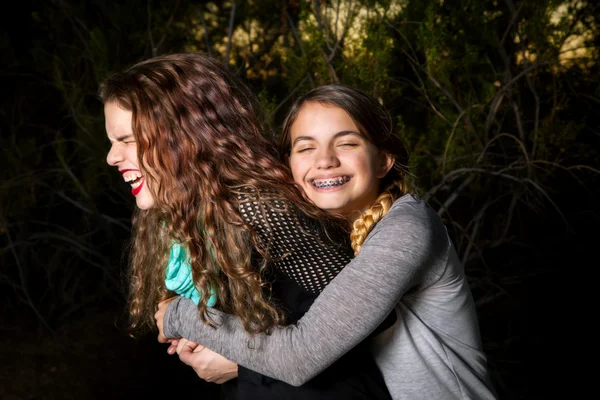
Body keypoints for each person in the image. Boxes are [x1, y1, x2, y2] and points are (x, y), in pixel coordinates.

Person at [157, 85, 498, 400]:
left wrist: (179, 315)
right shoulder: (319, 240)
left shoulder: (408, 228)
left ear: (383, 160)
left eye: (346, 143)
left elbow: (299, 357)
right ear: (287, 167)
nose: (325, 160)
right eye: (305, 147)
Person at [100, 53, 393, 399]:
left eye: (127, 140)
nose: (112, 157)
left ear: (185, 135)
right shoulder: (186, 221)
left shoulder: (263, 210)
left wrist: (243, 363)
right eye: (112, 142)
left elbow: (348, 342)